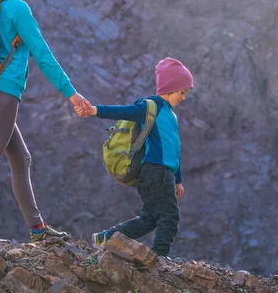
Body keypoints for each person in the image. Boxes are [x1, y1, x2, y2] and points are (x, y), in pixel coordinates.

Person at [0, 0, 93, 243]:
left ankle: (38, 229)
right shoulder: (17, 8)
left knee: (21, 158)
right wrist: (71, 94)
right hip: (3, 96)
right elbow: (43, 55)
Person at [77, 57, 193, 257]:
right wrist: (95, 110)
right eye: (182, 92)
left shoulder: (171, 116)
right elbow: (124, 111)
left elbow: (174, 150)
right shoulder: (150, 107)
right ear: (169, 88)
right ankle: (160, 257)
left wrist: (178, 179)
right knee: (170, 216)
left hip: (161, 173)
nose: (183, 97)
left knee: (149, 219)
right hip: (155, 171)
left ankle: (105, 237)